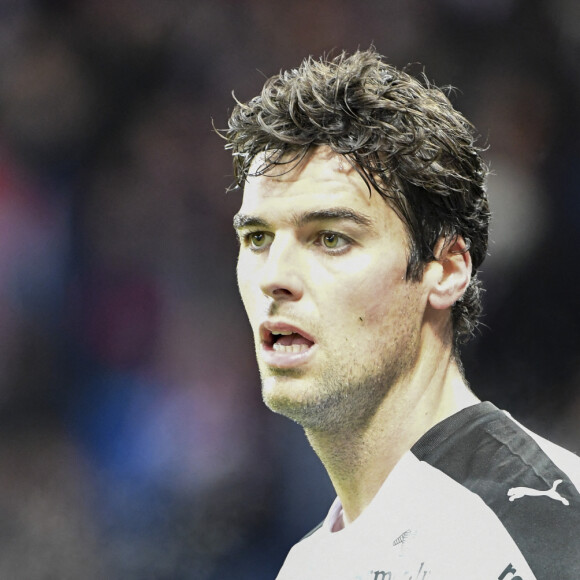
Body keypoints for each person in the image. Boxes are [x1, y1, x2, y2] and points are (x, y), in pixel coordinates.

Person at [222, 49, 580, 579]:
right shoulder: (309, 566)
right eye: (257, 238)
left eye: (330, 238)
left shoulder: (539, 540)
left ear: (447, 270)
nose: (275, 276)